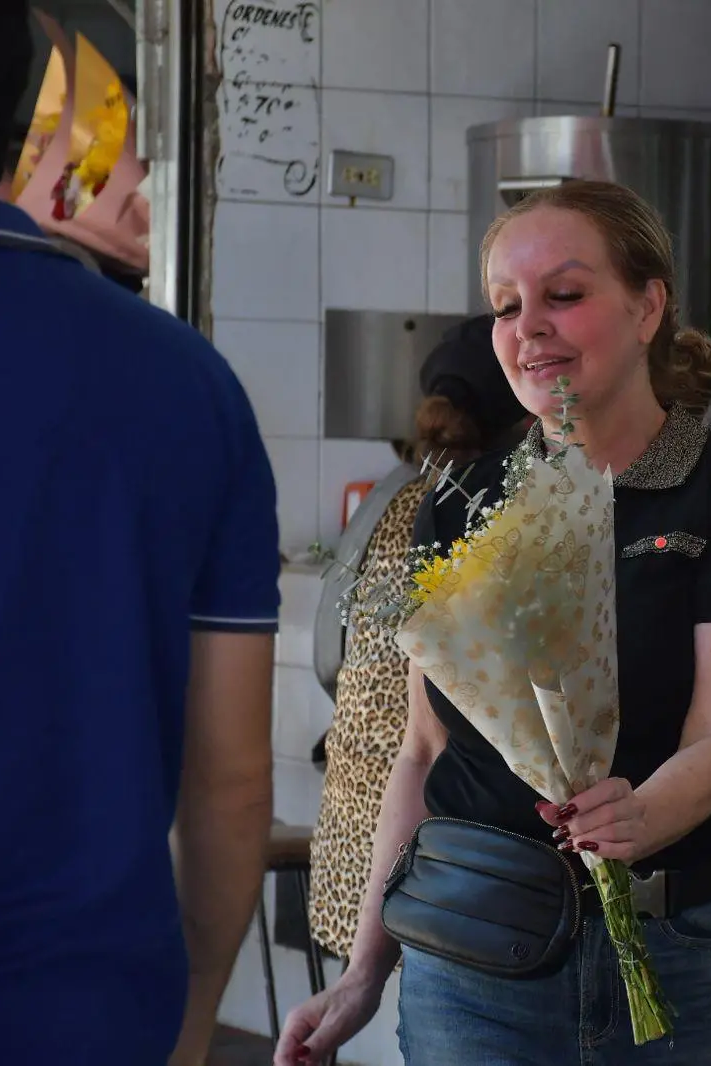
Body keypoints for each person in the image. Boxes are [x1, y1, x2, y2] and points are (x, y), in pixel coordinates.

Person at [275, 180, 711, 1065]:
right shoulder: (464, 505)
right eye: (506, 306)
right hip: (473, 968)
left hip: (673, 955)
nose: (530, 327)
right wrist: (363, 974)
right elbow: (423, 750)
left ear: (648, 307)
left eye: (564, 295)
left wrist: (643, 814)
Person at [0, 2, 280, 1065]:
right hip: (81, 1007)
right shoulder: (185, 385)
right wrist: (192, 1020)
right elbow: (231, 779)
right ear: (21, 125)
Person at [307, 313, 530, 964]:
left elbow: (331, 648)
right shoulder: (484, 513)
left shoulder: (390, 495)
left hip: (349, 840)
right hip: (425, 850)